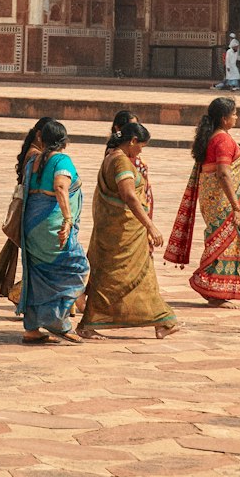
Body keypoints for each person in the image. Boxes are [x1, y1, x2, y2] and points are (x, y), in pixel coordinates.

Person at [79, 121, 178, 340]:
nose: (141, 150)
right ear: (132, 141)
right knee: (125, 276)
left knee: (115, 276)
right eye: (141, 145)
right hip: (124, 232)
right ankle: (164, 320)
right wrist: (150, 225)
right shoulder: (121, 163)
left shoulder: (111, 157)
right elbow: (129, 195)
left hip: (115, 232)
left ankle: (162, 321)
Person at [165, 96, 240, 305]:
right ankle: (209, 285)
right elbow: (223, 173)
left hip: (213, 200)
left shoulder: (212, 137)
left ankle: (215, 288)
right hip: (222, 201)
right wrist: (236, 206)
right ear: (224, 118)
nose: (236, 117)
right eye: (234, 114)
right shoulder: (222, 140)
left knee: (219, 241)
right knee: (223, 243)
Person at [17, 118, 89, 343]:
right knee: (77, 268)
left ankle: (32, 330)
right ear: (64, 140)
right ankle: (57, 321)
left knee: (37, 274)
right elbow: (60, 187)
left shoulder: (33, 161)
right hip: (52, 226)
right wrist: (67, 220)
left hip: (31, 226)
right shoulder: (61, 161)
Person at [0, 117, 51, 304]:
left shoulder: (33, 152)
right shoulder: (35, 155)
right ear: (39, 135)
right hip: (32, 211)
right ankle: (22, 294)